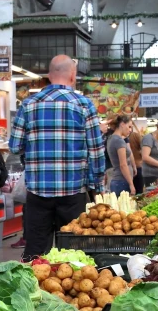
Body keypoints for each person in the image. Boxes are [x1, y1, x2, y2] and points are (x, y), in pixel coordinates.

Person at [8, 55, 105, 260]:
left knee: (35, 255)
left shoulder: (28, 105)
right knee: (73, 256)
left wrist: (36, 150)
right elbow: (96, 151)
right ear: (72, 75)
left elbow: (15, 147)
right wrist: (97, 185)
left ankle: (35, 289)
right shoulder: (84, 105)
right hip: (73, 193)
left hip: (38, 193)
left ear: (49, 76)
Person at [105, 115, 136, 194]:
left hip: (118, 180)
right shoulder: (119, 140)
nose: (130, 130)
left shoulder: (112, 138)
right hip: (122, 181)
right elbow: (123, 165)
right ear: (122, 124)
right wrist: (131, 184)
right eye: (129, 127)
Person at [128, 119, 146, 195]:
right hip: (139, 167)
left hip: (129, 169)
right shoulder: (136, 135)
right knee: (139, 193)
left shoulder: (123, 139)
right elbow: (143, 149)